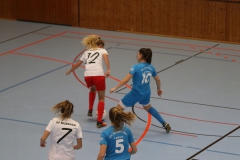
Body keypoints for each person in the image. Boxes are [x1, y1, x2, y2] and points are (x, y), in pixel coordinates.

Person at [110, 48, 171, 132]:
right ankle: (164, 123)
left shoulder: (136, 67)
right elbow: (158, 80)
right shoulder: (151, 67)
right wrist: (159, 89)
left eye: (138, 54)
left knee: (118, 108)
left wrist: (115, 87)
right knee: (148, 108)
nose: (136, 55)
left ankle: (120, 128)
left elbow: (126, 80)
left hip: (136, 93)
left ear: (141, 55)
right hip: (146, 93)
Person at [66, 35, 110, 128]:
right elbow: (106, 59)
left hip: (88, 76)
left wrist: (70, 70)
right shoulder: (102, 50)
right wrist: (108, 69)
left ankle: (90, 110)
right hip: (98, 75)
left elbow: (78, 64)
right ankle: (99, 122)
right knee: (101, 98)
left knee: (92, 89)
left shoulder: (86, 52)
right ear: (101, 45)